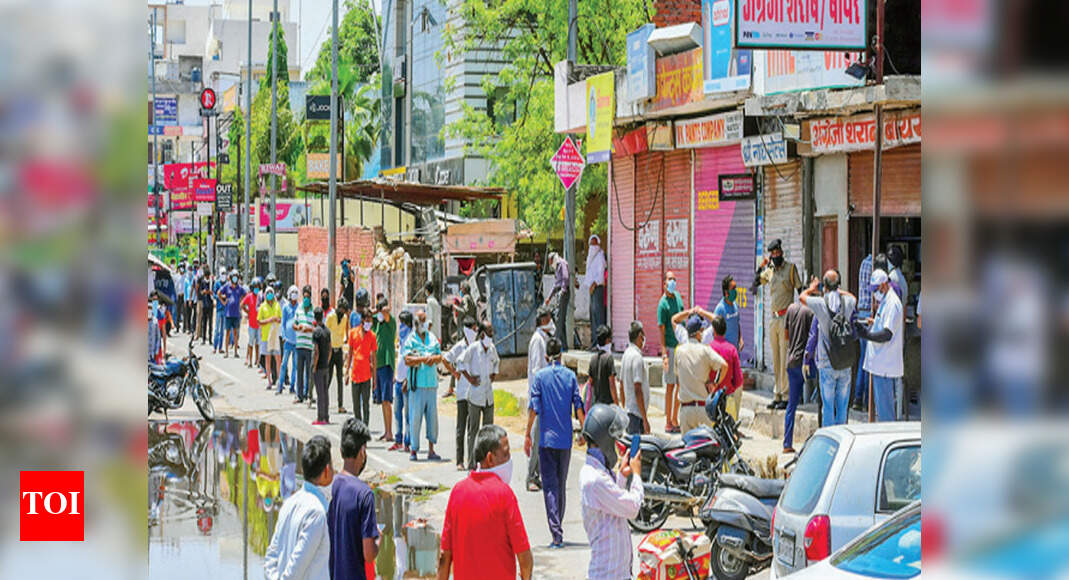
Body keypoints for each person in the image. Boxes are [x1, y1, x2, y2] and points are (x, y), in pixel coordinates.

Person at [438, 425, 533, 580]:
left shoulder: (457, 492)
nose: (510, 460)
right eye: (506, 454)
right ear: (490, 458)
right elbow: (524, 556)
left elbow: (444, 556)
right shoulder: (504, 495)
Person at [524, 337, 586, 548]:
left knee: (550, 486)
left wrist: (527, 434)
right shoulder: (570, 376)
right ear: (561, 354)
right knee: (560, 484)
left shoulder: (540, 377)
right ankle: (558, 526)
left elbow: (534, 407)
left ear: (545, 356)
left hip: (546, 441)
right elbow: (578, 405)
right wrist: (584, 430)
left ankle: (556, 532)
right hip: (565, 440)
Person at [579, 404, 644, 580]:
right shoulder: (595, 479)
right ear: (606, 441)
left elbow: (613, 505)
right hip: (608, 574)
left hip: (616, 573)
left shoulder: (597, 472)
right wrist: (637, 475)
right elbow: (631, 508)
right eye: (614, 440)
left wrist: (622, 477)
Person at [264, 435, 334, 580]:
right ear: (326, 471)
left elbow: (271, 557)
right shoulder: (317, 512)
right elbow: (296, 567)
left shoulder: (289, 503)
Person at [800, 270, 859, 427]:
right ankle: (842, 439)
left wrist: (812, 288)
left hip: (827, 363)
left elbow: (802, 297)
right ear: (838, 285)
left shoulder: (820, 303)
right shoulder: (847, 302)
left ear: (824, 286)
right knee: (842, 407)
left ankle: (830, 440)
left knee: (827, 407)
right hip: (845, 363)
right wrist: (839, 290)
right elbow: (854, 298)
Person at [753, 238, 803, 410]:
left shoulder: (790, 269)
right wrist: (762, 266)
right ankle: (777, 394)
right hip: (773, 319)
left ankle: (787, 395)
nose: (775, 255)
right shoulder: (770, 270)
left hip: (786, 319)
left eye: (777, 253)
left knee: (784, 357)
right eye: (772, 253)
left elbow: (800, 290)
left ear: (782, 252)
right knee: (775, 358)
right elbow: (755, 283)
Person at [327, 418, 379, 580]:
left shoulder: (329, 486)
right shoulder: (364, 494)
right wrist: (379, 540)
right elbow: (369, 554)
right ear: (362, 452)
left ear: (341, 452)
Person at [854, 270, 904, 422]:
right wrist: (872, 325)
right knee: (882, 410)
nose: (875, 293)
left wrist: (866, 335)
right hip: (879, 365)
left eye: (876, 289)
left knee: (885, 413)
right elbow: (883, 325)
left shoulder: (892, 303)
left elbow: (887, 334)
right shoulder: (885, 302)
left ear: (883, 285)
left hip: (885, 366)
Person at [403, 309, 452, 461]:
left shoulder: (432, 338)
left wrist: (434, 358)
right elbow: (407, 359)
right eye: (420, 321)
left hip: (431, 384)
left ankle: (431, 449)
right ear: (416, 323)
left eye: (424, 321)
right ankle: (414, 449)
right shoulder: (411, 339)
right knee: (415, 417)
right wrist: (422, 360)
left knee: (432, 419)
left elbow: (440, 356)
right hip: (417, 386)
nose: (423, 324)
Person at [674, 315, 727, 432]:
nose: (702, 334)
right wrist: (715, 384)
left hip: (686, 410)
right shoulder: (705, 350)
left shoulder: (679, 351)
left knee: (687, 447)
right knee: (707, 447)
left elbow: (678, 375)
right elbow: (724, 366)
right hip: (703, 409)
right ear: (698, 333)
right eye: (702, 331)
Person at [458, 321, 499, 470]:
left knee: (488, 431)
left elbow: (497, 362)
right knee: (473, 431)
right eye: (489, 332)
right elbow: (460, 362)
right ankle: (472, 464)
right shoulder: (474, 349)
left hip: (488, 396)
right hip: (475, 396)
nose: (491, 335)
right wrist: (469, 378)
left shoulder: (492, 349)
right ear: (482, 334)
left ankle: (487, 464)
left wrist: (494, 374)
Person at [525, 307, 554, 491]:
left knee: (542, 438)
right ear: (544, 320)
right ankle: (531, 476)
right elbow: (536, 372)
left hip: (544, 397)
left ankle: (540, 473)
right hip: (538, 397)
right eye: (550, 318)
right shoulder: (537, 341)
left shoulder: (544, 339)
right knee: (535, 438)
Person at [444, 316, 478, 469]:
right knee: (461, 428)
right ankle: (459, 460)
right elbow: (445, 359)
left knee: (473, 428)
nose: (474, 331)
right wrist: (454, 373)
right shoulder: (459, 347)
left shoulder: (477, 346)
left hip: (475, 393)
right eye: (472, 329)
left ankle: (472, 459)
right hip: (462, 392)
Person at [783, 299, 814, 453]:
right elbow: (812, 339)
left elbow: (786, 335)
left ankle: (787, 443)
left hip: (791, 361)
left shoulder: (791, 308)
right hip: (805, 363)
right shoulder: (810, 313)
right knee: (824, 399)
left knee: (791, 405)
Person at [657, 271, 685, 433]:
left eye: (674, 278)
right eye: (669, 279)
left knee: (680, 385)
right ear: (664, 283)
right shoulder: (663, 305)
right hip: (669, 347)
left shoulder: (678, 298)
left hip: (680, 346)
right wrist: (664, 354)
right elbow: (661, 330)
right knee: (670, 385)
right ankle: (668, 420)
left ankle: (675, 418)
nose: (673, 281)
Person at [707, 315, 744, 421]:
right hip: (728, 399)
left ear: (713, 330)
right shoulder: (732, 349)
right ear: (725, 331)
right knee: (730, 434)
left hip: (711, 401)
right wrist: (731, 387)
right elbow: (739, 379)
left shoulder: (708, 348)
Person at [346, 310, 378, 427]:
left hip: (366, 375)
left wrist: (375, 378)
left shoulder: (372, 336)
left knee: (366, 404)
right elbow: (350, 353)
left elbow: (374, 358)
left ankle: (365, 428)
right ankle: (358, 427)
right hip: (355, 374)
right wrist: (346, 373)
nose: (369, 323)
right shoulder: (353, 333)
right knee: (356, 406)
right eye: (367, 320)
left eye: (371, 320)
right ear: (362, 320)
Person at [373, 298, 397, 442]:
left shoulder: (390, 322)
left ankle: (390, 432)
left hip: (387, 364)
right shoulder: (378, 324)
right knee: (382, 401)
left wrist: (379, 310)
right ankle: (386, 431)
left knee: (387, 400)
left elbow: (387, 312)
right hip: (379, 364)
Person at [390, 310, 415, 452]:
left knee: (407, 414)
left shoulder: (411, 339)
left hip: (407, 382)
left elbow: (412, 362)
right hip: (398, 380)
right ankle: (398, 439)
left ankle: (408, 441)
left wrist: (407, 379)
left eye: (403, 323)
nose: (401, 326)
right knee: (397, 412)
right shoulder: (401, 339)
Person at [621, 321, 650, 435]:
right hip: (636, 416)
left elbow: (621, 384)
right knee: (636, 450)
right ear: (639, 336)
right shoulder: (637, 357)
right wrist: (645, 419)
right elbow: (638, 389)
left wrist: (625, 407)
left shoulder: (626, 354)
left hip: (629, 411)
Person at [324, 297, 350, 414]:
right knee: (328, 378)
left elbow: (343, 334)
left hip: (338, 350)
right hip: (330, 350)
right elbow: (325, 333)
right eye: (342, 309)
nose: (343, 312)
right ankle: (324, 402)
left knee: (339, 378)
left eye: (344, 310)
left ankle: (340, 404)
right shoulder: (330, 317)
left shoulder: (344, 318)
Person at [310, 307, 334, 425]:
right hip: (325, 365)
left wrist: (314, 366)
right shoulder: (327, 331)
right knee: (325, 392)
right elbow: (330, 349)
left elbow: (316, 351)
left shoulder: (316, 332)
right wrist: (327, 361)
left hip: (319, 366)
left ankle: (320, 418)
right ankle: (326, 416)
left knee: (320, 393)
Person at [586, 325, 620, 407]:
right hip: (608, 405)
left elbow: (590, 382)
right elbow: (612, 384)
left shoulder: (593, 359)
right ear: (608, 340)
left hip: (597, 404)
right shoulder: (609, 358)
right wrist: (617, 405)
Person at [294, 286, 316, 405]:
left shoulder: (313, 311)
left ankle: (309, 394)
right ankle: (299, 395)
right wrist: (299, 328)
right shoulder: (299, 310)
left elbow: (316, 327)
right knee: (300, 371)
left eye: (308, 296)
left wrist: (309, 329)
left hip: (309, 346)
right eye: (305, 296)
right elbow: (294, 325)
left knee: (309, 372)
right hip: (299, 345)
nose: (306, 298)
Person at [258, 285, 283, 389]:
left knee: (278, 359)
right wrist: (269, 320)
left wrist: (276, 319)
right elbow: (259, 321)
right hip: (266, 336)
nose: (269, 295)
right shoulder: (262, 307)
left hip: (275, 336)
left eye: (271, 293)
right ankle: (269, 381)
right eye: (267, 293)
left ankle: (279, 381)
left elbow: (280, 319)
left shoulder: (277, 305)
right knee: (268, 359)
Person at [544, 252, 571, 349]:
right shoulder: (557, 266)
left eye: (550, 262)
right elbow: (556, 285)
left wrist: (563, 291)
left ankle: (557, 343)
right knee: (560, 320)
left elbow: (565, 278)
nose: (550, 264)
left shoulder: (561, 263)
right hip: (559, 292)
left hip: (563, 292)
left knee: (559, 318)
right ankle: (564, 345)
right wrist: (549, 297)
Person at [582, 235, 608, 333]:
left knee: (598, 315)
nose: (593, 246)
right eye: (591, 244)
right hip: (592, 289)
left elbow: (600, 274)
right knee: (592, 315)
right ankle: (594, 341)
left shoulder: (600, 256)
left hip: (597, 288)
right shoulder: (591, 257)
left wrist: (594, 284)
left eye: (595, 243)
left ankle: (599, 341)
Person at [713, 275, 744, 356]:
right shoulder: (720, 309)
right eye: (733, 288)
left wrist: (740, 339)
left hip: (735, 352)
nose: (735, 291)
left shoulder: (735, 304)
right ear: (726, 293)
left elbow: (737, 323)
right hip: (725, 354)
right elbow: (714, 332)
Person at [218, 271, 246, 358]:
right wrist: (223, 301)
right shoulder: (227, 286)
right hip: (228, 314)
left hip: (236, 314)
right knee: (227, 333)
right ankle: (226, 352)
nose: (235, 278)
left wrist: (241, 302)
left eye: (236, 277)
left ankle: (235, 352)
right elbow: (219, 293)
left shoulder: (239, 288)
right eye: (234, 276)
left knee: (235, 333)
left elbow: (245, 295)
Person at [278, 286, 300, 395]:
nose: (294, 294)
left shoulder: (299, 308)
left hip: (296, 341)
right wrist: (283, 335)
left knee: (295, 365)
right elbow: (283, 323)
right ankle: (280, 386)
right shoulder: (286, 307)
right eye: (293, 292)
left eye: (296, 292)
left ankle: (292, 386)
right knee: (284, 364)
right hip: (287, 340)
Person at [241, 278, 261, 368]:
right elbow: (242, 304)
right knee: (251, 342)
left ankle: (257, 360)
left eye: (258, 287)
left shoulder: (260, 297)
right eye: (255, 287)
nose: (256, 289)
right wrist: (248, 312)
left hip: (259, 324)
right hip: (252, 324)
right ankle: (249, 360)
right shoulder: (249, 296)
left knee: (258, 343)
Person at [212, 267, 227, 354]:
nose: (223, 275)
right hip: (218, 308)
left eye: (224, 273)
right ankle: (215, 347)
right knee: (217, 329)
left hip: (225, 308)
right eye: (222, 273)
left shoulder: (227, 284)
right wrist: (220, 297)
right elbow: (214, 294)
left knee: (222, 330)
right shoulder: (217, 283)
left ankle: (220, 347)